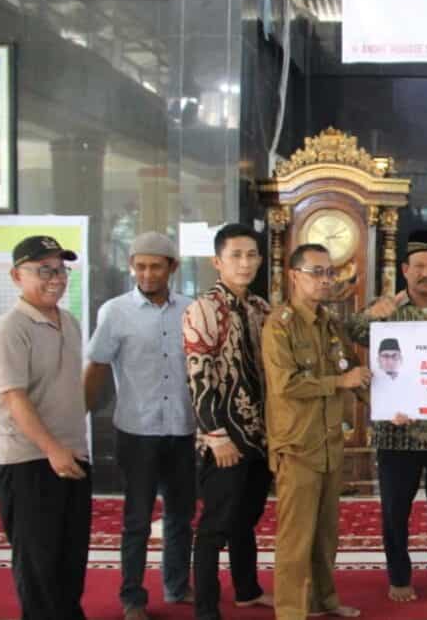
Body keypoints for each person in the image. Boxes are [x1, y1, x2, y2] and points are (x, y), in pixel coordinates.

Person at [346, 229, 427, 602]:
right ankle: (399, 576)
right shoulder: (387, 309)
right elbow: (349, 332)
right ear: (405, 269)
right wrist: (373, 314)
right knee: (395, 510)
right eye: (419, 266)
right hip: (396, 432)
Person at [84, 232, 195, 620]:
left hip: (183, 430)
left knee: (181, 516)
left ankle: (177, 586)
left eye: (155, 266)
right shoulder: (114, 312)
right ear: (132, 266)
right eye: (140, 266)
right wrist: (78, 416)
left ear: (172, 268)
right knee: (136, 519)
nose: (146, 274)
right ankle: (132, 597)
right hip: (136, 433)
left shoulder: (192, 310)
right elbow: (96, 366)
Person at [262, 243, 371, 619]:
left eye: (330, 273)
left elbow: (356, 374)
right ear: (294, 276)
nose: (326, 280)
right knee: (295, 539)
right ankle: (291, 611)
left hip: (329, 445)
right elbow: (286, 385)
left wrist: (392, 408)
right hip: (298, 447)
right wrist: (340, 381)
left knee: (326, 536)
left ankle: (325, 599)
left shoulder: (331, 322)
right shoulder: (280, 325)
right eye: (317, 273)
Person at [0, 235, 91, 620]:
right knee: (38, 565)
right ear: (17, 276)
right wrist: (52, 449)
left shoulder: (70, 321)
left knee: (70, 558)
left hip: (72, 455)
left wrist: (68, 449)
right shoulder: (10, 329)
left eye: (61, 269)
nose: (56, 278)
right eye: (44, 270)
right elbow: (15, 398)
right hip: (29, 460)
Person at [183, 223, 272, 620]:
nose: (245, 263)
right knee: (215, 525)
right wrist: (215, 435)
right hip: (224, 437)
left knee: (246, 519)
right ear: (217, 261)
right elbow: (197, 375)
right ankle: (205, 608)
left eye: (251, 255)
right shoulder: (204, 308)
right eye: (236, 255)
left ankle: (247, 589)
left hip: (258, 435)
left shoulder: (259, 308)